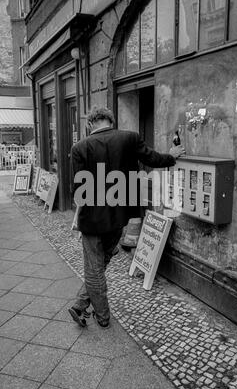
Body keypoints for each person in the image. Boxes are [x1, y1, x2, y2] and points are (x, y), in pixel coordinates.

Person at [69, 106, 185, 328]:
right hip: (119, 216)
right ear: (110, 121)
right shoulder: (129, 138)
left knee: (94, 267)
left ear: (90, 123)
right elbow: (152, 159)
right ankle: (80, 304)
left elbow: (78, 191)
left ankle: (102, 317)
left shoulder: (79, 147)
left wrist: (79, 218)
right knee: (104, 258)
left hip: (92, 220)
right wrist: (172, 156)